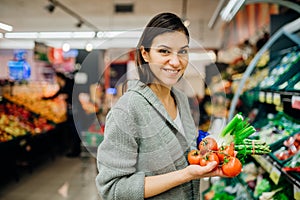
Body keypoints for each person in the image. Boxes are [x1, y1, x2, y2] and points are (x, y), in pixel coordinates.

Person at [95, 12, 226, 200]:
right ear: (145, 54)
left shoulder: (181, 99)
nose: (175, 61)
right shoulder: (127, 110)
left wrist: (215, 150)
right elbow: (113, 189)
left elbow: (185, 150)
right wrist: (187, 174)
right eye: (164, 51)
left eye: (182, 51)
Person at [43, 72, 81, 157]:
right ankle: (74, 149)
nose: (56, 80)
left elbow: (74, 94)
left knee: (75, 130)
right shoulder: (63, 85)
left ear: (60, 78)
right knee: (72, 130)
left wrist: (67, 96)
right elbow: (57, 94)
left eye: (56, 78)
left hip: (75, 109)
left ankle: (76, 150)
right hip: (71, 109)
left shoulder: (70, 83)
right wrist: (45, 98)